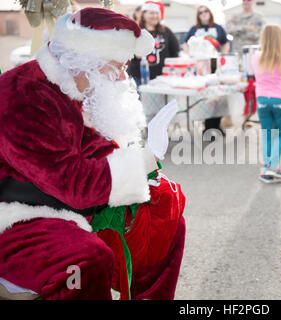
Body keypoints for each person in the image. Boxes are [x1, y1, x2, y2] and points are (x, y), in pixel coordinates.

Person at [0, 7, 186, 300]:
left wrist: (148, 174)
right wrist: (143, 161)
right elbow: (71, 182)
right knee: (87, 259)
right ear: (86, 60)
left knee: (165, 214)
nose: (123, 76)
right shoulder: (23, 94)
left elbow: (98, 152)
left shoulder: (80, 88)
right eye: (118, 66)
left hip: (74, 207)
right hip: (19, 214)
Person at [251, 25, 281, 183]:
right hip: (280, 99)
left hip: (262, 99)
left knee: (267, 134)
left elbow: (256, 75)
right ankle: (273, 166)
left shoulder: (256, 57)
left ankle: (267, 167)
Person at [183, 5, 230, 136]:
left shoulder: (218, 28)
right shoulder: (194, 29)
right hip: (199, 65)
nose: (203, 14)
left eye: (206, 11)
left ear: (210, 13)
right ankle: (207, 125)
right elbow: (185, 43)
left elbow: (226, 43)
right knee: (203, 94)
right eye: (200, 12)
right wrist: (190, 57)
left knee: (216, 93)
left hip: (214, 63)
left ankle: (215, 124)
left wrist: (223, 56)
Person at [127, 0, 180, 85]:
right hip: (139, 77)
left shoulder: (166, 31)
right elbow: (125, 51)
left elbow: (176, 52)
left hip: (162, 78)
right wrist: (135, 55)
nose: (155, 16)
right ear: (143, 15)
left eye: (157, 13)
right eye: (151, 13)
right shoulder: (136, 31)